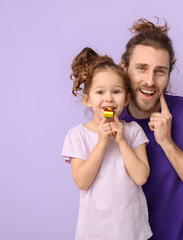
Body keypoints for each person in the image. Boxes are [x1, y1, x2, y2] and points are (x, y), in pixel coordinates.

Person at [119, 18, 183, 240]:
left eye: (160, 71)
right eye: (141, 68)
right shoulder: (113, 124)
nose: (150, 80)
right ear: (124, 67)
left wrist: (167, 143)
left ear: (168, 75)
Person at [62, 47, 152, 240]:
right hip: (95, 231)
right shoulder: (77, 135)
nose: (109, 98)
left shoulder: (133, 130)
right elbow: (82, 181)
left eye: (116, 91)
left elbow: (141, 177)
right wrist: (102, 142)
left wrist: (122, 142)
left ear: (126, 99)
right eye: (100, 92)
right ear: (87, 100)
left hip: (131, 229)